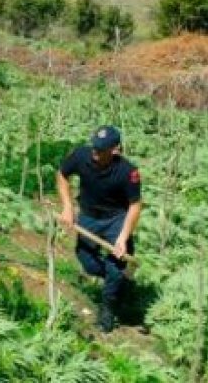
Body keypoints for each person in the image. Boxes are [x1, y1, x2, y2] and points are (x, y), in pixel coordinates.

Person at [56, 125, 142, 333]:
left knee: (116, 264)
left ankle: (108, 308)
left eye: (101, 149)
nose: (95, 152)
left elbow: (135, 205)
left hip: (116, 219)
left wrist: (122, 238)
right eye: (94, 146)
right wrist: (67, 207)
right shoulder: (81, 156)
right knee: (87, 262)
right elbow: (61, 175)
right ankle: (118, 281)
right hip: (89, 216)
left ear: (115, 150)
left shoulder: (128, 172)